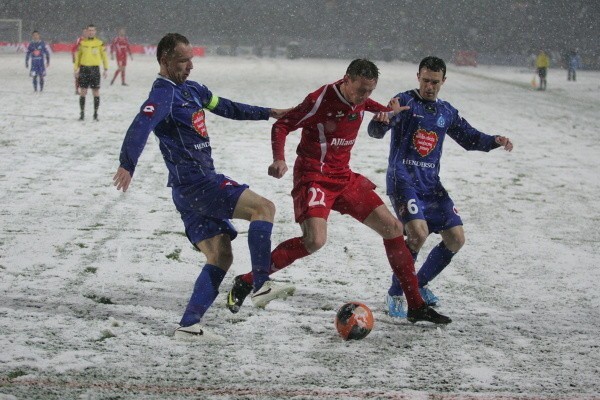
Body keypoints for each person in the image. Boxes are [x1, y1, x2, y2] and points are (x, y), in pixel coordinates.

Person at [226, 59, 451, 325]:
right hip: (314, 177)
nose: (364, 97)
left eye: (370, 91)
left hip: (344, 177)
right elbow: (283, 124)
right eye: (360, 90)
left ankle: (415, 306)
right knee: (315, 241)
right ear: (346, 80)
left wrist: (385, 112)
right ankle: (247, 280)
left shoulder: (360, 98)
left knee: (392, 227)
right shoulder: (321, 99)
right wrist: (279, 158)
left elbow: (366, 105)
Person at [113, 33, 292, 340]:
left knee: (221, 256)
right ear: (165, 60)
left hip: (185, 192)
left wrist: (267, 112)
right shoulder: (163, 94)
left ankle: (189, 325)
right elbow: (140, 125)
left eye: (191, 59)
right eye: (183, 61)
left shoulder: (193, 90)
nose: (190, 66)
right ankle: (261, 285)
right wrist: (127, 163)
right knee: (264, 208)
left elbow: (225, 106)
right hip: (199, 183)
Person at [367, 56, 513, 318]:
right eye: (425, 80)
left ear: (443, 81)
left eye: (435, 82)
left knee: (456, 239)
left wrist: (495, 140)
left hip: (431, 185)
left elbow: (470, 139)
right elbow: (375, 132)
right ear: (418, 77)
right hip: (403, 180)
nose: (429, 87)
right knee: (417, 234)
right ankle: (396, 293)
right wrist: (382, 120)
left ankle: (418, 285)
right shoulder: (404, 101)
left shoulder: (446, 111)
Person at [74, 24, 108, 121]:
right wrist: (76, 69)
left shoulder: (100, 43)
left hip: (95, 69)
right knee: (83, 91)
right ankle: (82, 113)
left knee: (96, 91)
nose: (91, 32)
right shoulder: (82, 43)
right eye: (89, 30)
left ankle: (95, 114)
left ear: (95, 32)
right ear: (87, 31)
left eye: (93, 30)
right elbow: (78, 57)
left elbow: (104, 56)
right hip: (84, 68)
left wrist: (106, 68)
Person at [72, 28, 87, 95]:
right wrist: (73, 57)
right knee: (78, 75)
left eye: (86, 32)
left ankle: (83, 89)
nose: (85, 33)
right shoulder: (79, 40)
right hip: (79, 61)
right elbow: (74, 48)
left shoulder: (90, 40)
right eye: (84, 32)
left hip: (87, 61)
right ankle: (76, 90)